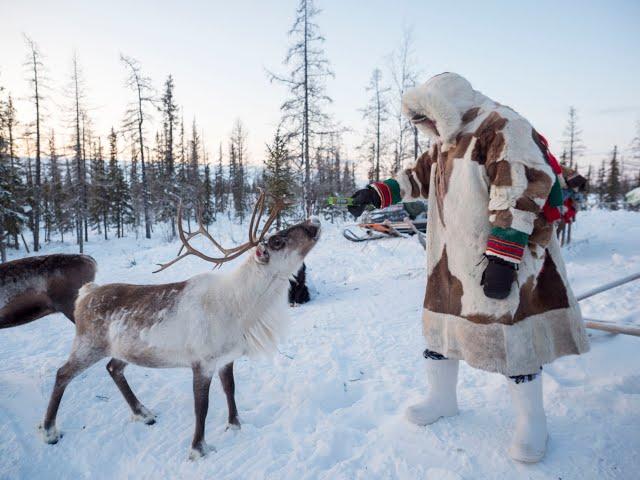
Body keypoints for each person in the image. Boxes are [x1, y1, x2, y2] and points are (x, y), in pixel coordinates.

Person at [349, 73, 589, 463]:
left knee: (514, 338)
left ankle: (533, 422)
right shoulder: (448, 136)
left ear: (444, 108)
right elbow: (419, 175)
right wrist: (378, 192)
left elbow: (521, 189)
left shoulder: (501, 126)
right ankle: (442, 399)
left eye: (425, 119)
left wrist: (503, 256)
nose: (424, 129)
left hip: (501, 255)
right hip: (452, 255)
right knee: (441, 327)